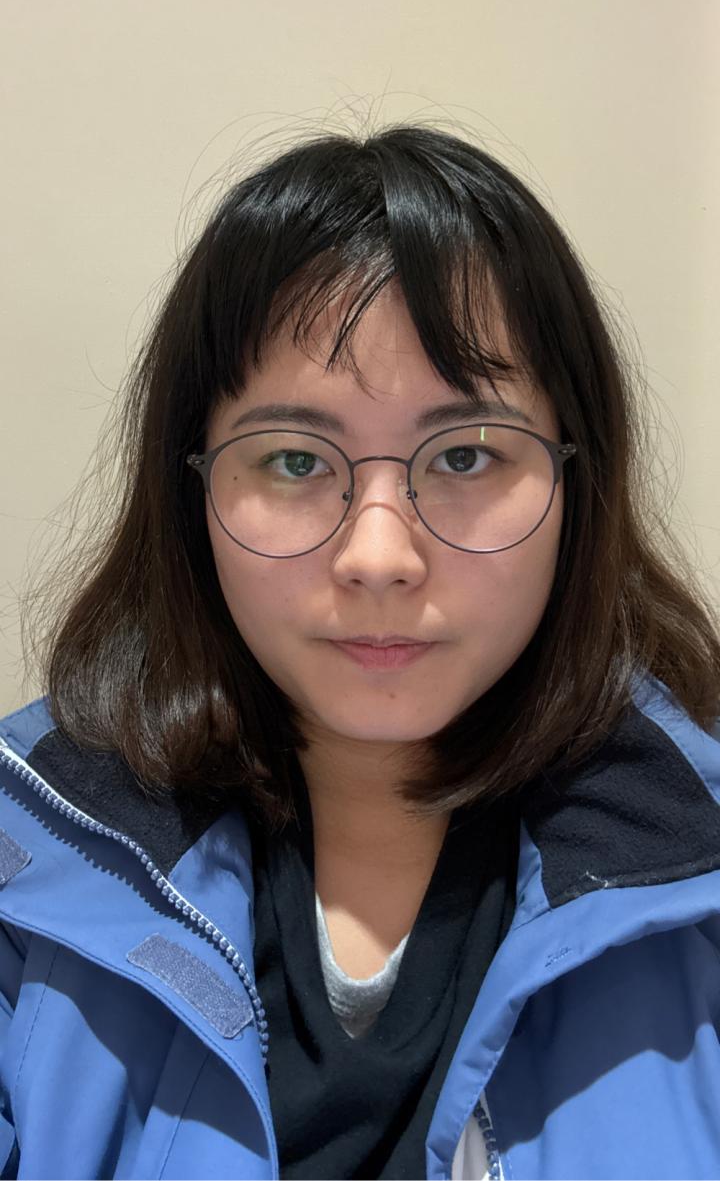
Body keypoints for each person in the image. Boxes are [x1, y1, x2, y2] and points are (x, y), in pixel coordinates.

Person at [1, 123, 720, 1181]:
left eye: (467, 453)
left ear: (579, 480)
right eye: (295, 460)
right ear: (193, 487)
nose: (379, 557)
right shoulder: (26, 860)